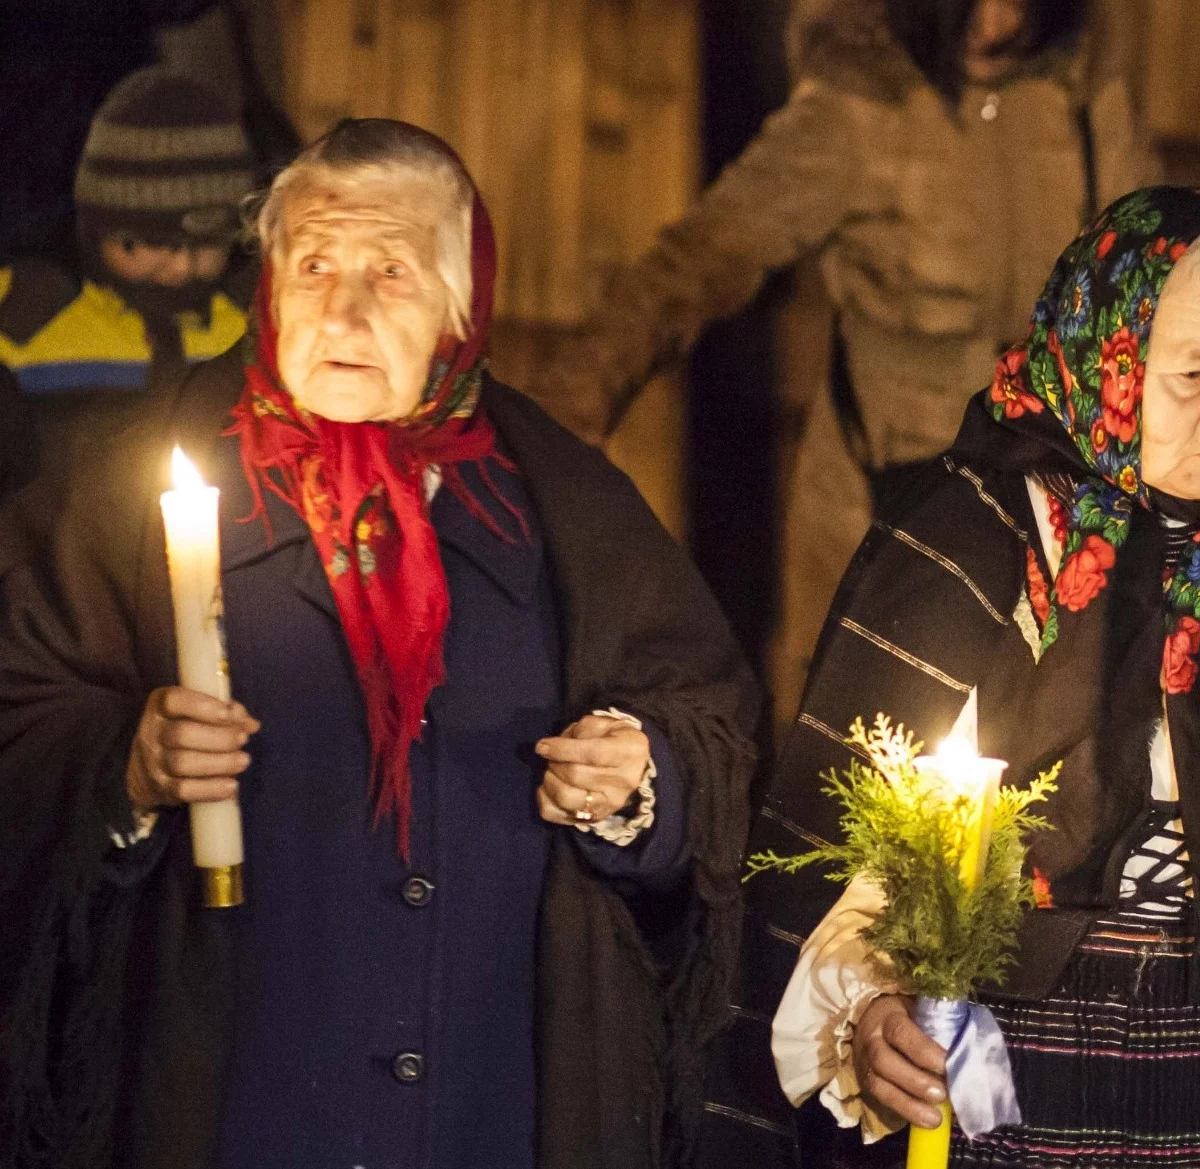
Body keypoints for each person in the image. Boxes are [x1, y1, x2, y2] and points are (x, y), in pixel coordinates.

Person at [0, 119, 761, 1169]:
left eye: (391, 270)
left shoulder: (568, 507)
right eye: (314, 263)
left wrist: (640, 784)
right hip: (228, 1106)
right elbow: (24, 710)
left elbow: (707, 727)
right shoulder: (126, 495)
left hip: (492, 1110)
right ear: (269, 283)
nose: (344, 308)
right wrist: (120, 769)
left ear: (461, 301)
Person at [722, 188, 1200, 1167]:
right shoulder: (975, 529)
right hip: (1021, 1067)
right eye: (1189, 373)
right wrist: (870, 998)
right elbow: (852, 822)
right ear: (1101, 353)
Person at [536, 0, 1160, 713]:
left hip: (1056, 502)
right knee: (858, 756)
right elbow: (701, 259)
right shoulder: (857, 107)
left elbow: (1152, 270)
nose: (993, 22)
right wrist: (564, 414)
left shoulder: (1084, 97)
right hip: (889, 496)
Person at [0, 67, 255, 402]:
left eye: (209, 243)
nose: (180, 267)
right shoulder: (22, 316)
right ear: (97, 232)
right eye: (153, 243)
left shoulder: (256, 325)